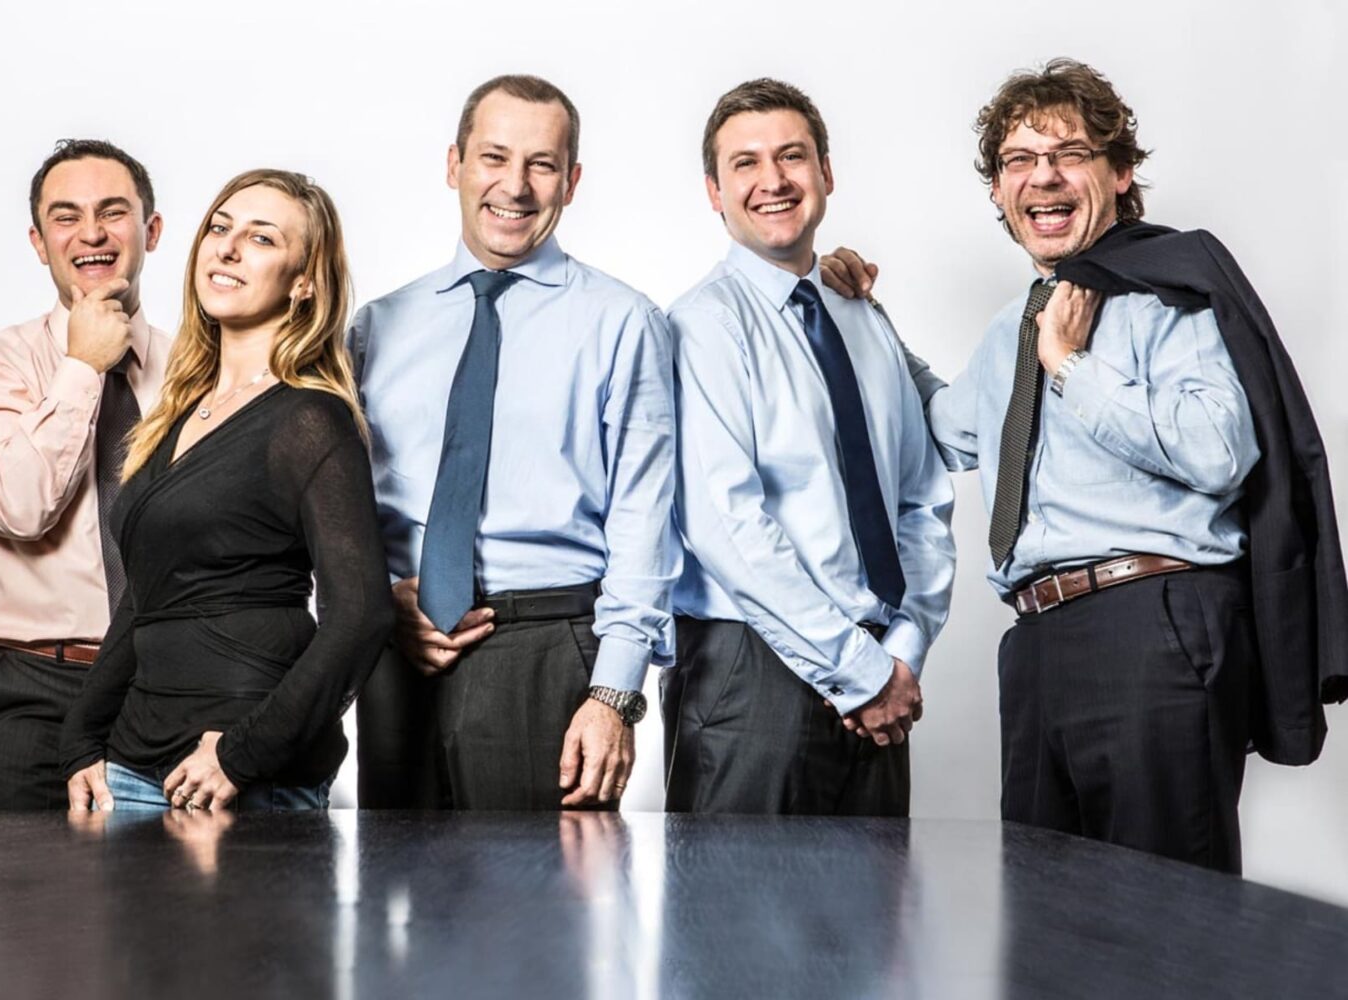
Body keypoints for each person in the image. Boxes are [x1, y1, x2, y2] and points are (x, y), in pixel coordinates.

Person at [823, 58, 1348, 871]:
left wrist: (1071, 364)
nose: (1043, 177)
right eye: (1018, 161)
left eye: (1067, 153)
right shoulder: (1013, 329)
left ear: (1120, 173)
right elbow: (944, 432)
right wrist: (867, 317)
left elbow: (1221, 451)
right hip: (1036, 644)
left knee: (1164, 917)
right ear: (999, 192)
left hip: (1152, 623)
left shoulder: (1168, 291)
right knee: (1049, 932)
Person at [352, 74, 679, 810]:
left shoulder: (622, 323)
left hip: (546, 649)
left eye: (542, 164)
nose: (516, 186)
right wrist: (378, 604)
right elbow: (340, 506)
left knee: (532, 915)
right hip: (399, 655)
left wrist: (614, 692)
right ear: (454, 165)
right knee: (390, 908)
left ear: (572, 180)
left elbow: (645, 519)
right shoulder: (376, 328)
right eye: (494, 157)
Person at [663, 79, 955, 816]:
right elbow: (727, 524)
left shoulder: (862, 316)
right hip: (750, 674)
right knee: (740, 923)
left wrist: (904, 649)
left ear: (826, 173)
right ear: (712, 190)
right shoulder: (702, 328)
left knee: (875, 925)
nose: (773, 181)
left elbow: (920, 498)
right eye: (745, 163)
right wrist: (860, 670)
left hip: (880, 668)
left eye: (792, 156)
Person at [60, 169, 394, 811]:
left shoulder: (310, 418)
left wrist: (245, 754)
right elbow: (146, 598)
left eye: (262, 238)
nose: (228, 248)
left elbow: (361, 617)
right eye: (220, 227)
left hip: (234, 773)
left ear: (304, 282)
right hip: (132, 765)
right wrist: (81, 739)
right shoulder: (176, 414)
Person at [0, 139, 170, 809]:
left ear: (150, 231)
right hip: (33, 695)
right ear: (40, 242)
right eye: (66, 217)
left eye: (113, 212)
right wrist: (85, 367)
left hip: (164, 687)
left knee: (175, 912)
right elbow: (17, 506)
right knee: (22, 913)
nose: (91, 233)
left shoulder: (199, 371)